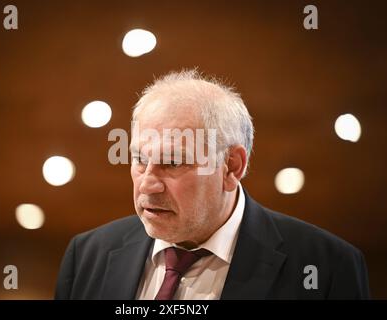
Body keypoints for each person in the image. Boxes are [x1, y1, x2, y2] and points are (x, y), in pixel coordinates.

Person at [55, 69, 370, 299]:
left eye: (173, 162)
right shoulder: (87, 255)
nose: (147, 184)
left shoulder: (325, 266)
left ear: (232, 166)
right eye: (139, 158)